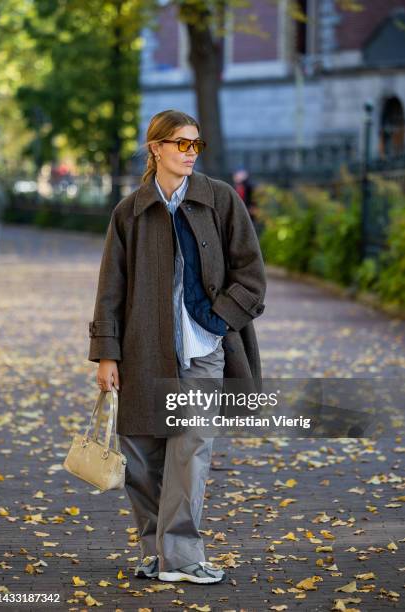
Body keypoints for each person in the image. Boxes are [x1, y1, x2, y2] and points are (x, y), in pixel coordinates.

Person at [88, 109, 266, 584]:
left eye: (195, 145)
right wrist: (107, 353)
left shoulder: (221, 201)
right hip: (143, 351)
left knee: (190, 452)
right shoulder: (130, 211)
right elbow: (111, 289)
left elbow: (251, 277)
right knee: (143, 458)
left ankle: (182, 557)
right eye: (181, 144)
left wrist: (215, 319)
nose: (190, 153)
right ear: (156, 149)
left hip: (204, 349)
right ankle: (156, 551)